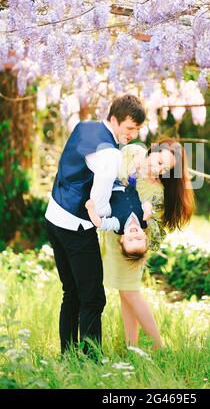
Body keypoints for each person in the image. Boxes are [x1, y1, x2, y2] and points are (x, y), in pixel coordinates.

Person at [45, 95, 146, 357]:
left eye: (137, 130)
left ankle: (68, 355)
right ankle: (91, 360)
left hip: (53, 215)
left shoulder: (83, 126)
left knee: (71, 292)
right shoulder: (110, 154)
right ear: (114, 119)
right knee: (92, 298)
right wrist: (113, 216)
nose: (132, 135)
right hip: (76, 226)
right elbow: (98, 202)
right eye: (129, 128)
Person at [99, 139, 195, 349]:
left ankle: (157, 344)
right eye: (157, 160)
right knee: (124, 293)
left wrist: (147, 218)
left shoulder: (156, 191)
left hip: (132, 245)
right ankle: (131, 345)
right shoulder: (131, 153)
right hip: (112, 237)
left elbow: (156, 231)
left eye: (164, 168)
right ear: (152, 149)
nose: (157, 168)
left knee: (130, 292)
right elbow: (107, 171)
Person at [85, 177, 154, 259]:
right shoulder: (145, 219)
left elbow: (99, 223)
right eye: (139, 239)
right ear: (145, 236)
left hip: (110, 187)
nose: (134, 235)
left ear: (123, 239)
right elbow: (146, 203)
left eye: (130, 240)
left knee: (103, 173)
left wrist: (90, 209)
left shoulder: (118, 225)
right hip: (128, 183)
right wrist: (148, 209)